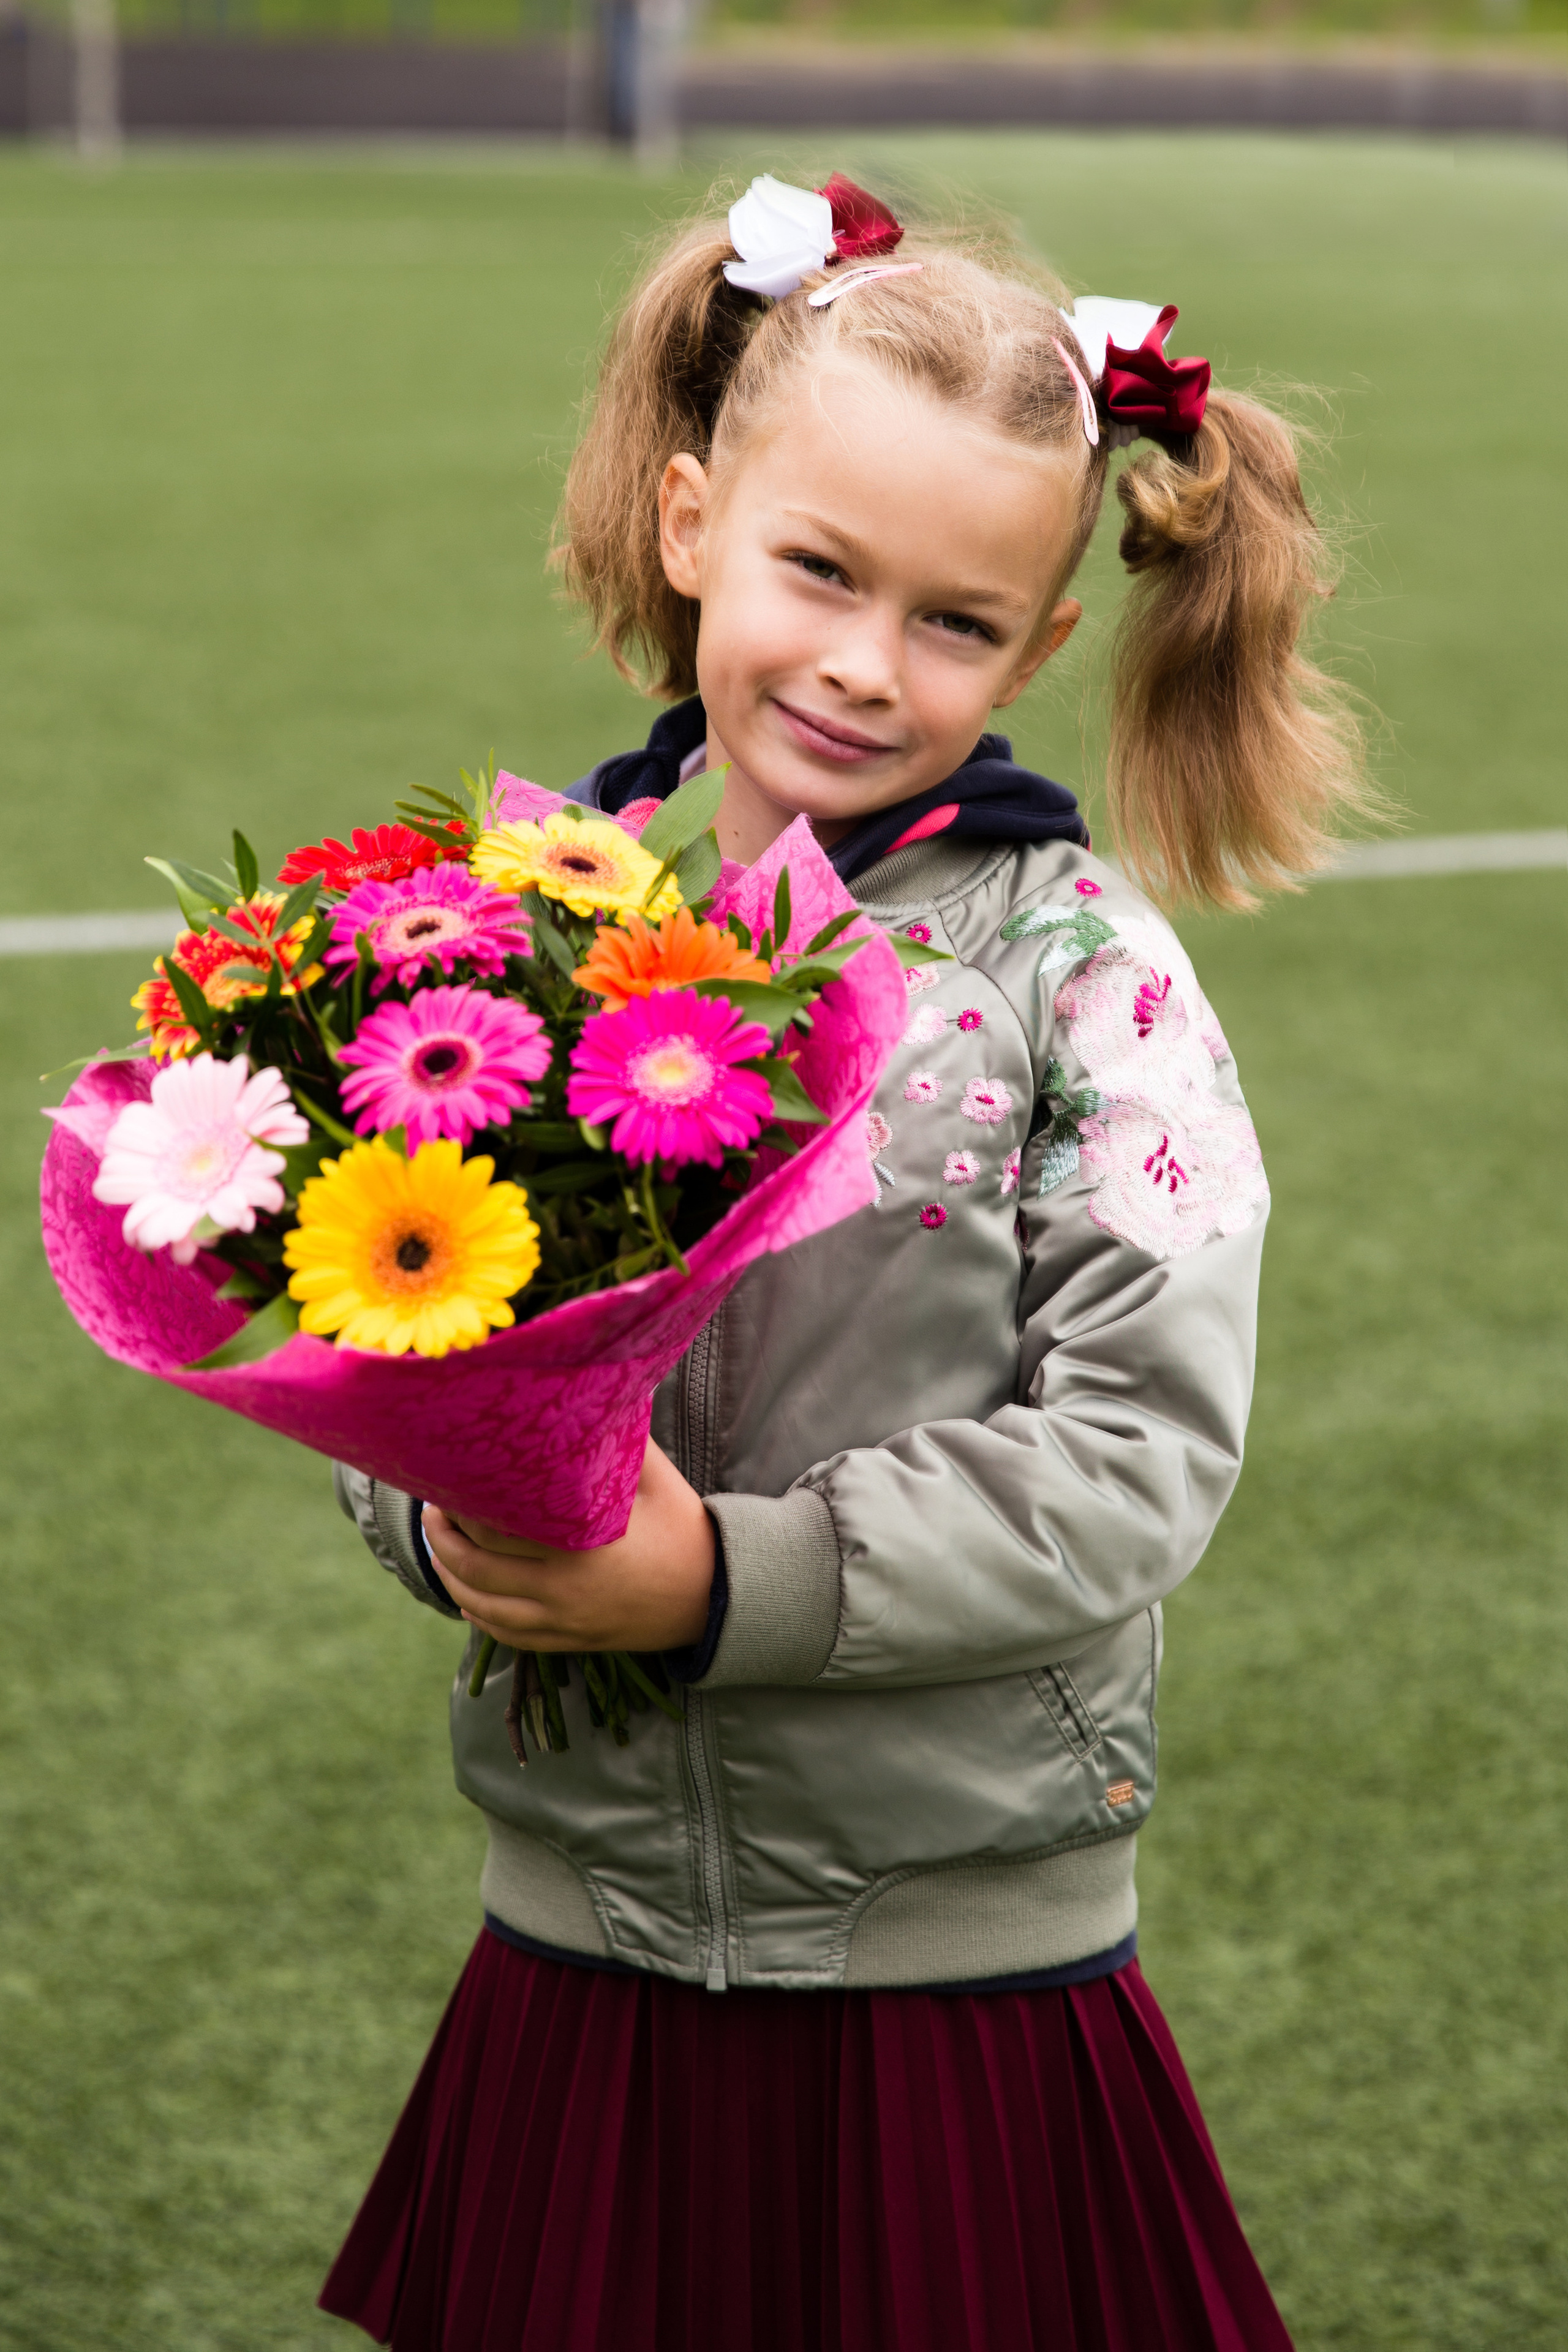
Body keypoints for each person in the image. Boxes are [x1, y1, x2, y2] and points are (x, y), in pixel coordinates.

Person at [319, 172, 1365, 2351]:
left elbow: (1138, 1458)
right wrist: (442, 1508)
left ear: (1044, 647)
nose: (868, 666)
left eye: (958, 622)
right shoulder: (532, 921)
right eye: (819, 570)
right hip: (580, 1940)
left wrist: (721, 1586)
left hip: (956, 1963)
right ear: (695, 520)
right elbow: (384, 1310)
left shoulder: (1096, 982)